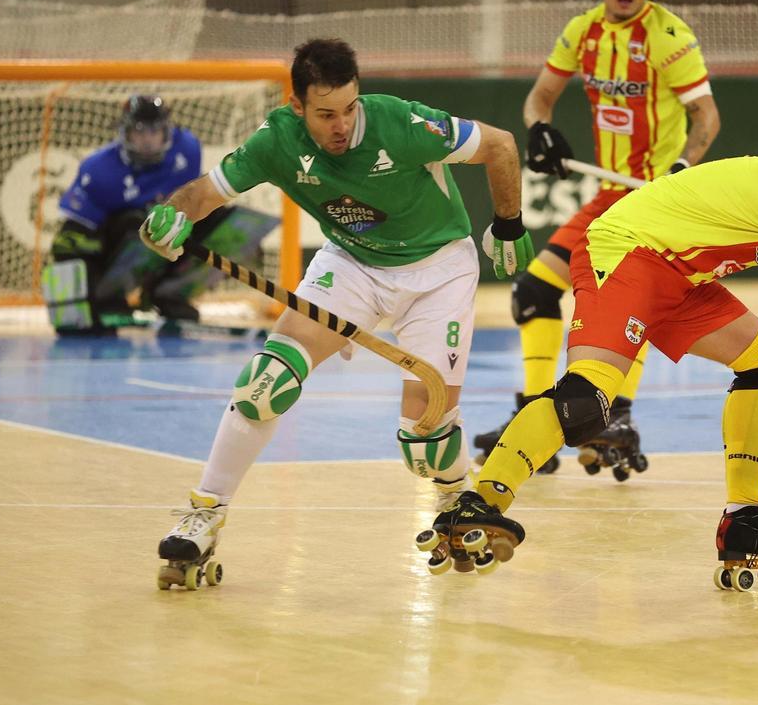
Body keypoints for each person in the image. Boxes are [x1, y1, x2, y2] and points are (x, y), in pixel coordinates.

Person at [428, 103, 758, 576]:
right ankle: (480, 502)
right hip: (630, 252)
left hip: (681, 276)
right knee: (586, 399)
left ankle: (744, 520)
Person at [140, 38, 533, 588]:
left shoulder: (403, 123)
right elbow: (204, 193)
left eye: (349, 108)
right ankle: (205, 511)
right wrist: (172, 215)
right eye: (325, 114)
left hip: (440, 270)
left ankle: (455, 498)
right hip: (352, 265)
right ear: (298, 106)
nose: (342, 125)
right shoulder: (278, 140)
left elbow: (502, 145)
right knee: (264, 382)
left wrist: (509, 223)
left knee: (426, 445)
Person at [474, 0, 721, 476]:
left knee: (629, 305)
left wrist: (679, 173)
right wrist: (539, 130)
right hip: (611, 196)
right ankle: (534, 417)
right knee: (535, 290)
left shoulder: (668, 37)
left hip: (656, 202)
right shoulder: (582, 32)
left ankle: (618, 416)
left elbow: (707, 117)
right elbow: (539, 99)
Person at [41, 94, 214, 334]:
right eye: (140, 131)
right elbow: (70, 240)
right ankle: (106, 299)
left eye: (155, 132)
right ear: (125, 132)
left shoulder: (188, 150)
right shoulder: (98, 170)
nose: (148, 140)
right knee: (116, 229)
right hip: (116, 243)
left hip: (164, 240)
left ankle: (169, 296)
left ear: (167, 131)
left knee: (221, 220)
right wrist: (82, 303)